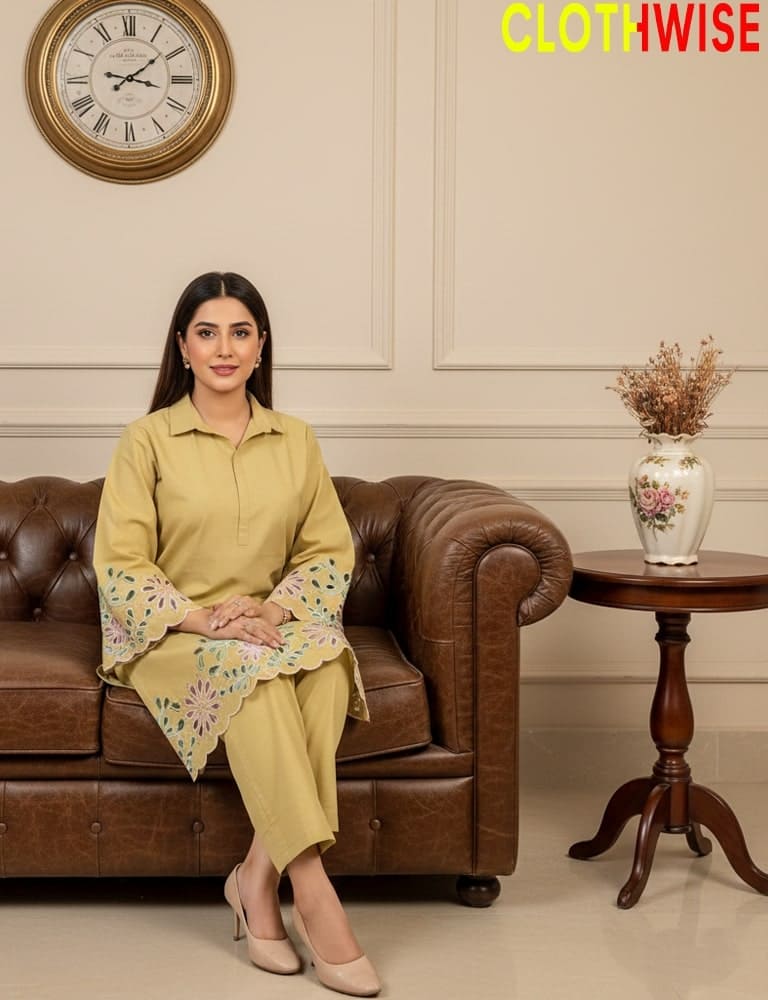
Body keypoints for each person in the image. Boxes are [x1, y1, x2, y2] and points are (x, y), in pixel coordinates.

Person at [93, 271, 381, 997]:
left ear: (260, 347)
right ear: (183, 348)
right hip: (171, 636)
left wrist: (274, 613)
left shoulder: (296, 440)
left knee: (324, 665)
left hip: (265, 622)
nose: (225, 347)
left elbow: (326, 552)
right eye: (207, 332)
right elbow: (121, 564)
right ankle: (313, 893)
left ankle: (256, 880)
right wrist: (206, 618)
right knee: (248, 667)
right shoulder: (146, 440)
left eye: (241, 331)